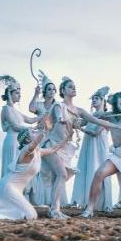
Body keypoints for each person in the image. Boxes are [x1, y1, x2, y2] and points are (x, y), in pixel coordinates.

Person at [0, 120, 66, 221]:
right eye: (33, 132)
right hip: (7, 187)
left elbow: (53, 149)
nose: (36, 132)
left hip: (12, 189)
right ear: (27, 139)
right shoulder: (26, 151)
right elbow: (33, 145)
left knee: (26, 214)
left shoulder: (38, 152)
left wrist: (68, 137)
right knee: (31, 216)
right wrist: (44, 131)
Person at [37, 77, 81, 218]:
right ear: (63, 91)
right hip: (50, 145)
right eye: (70, 86)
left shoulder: (73, 109)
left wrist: (111, 123)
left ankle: (54, 209)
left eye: (75, 86)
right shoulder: (58, 107)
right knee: (61, 174)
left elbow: (90, 120)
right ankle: (54, 210)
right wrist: (50, 124)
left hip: (62, 147)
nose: (74, 88)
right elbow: (49, 123)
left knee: (59, 175)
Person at [72, 87, 114, 215]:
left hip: (99, 147)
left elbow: (96, 133)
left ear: (103, 101)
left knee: (98, 169)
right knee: (88, 169)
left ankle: (102, 203)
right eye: (93, 99)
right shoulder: (91, 116)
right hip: (89, 146)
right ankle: (87, 201)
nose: (94, 101)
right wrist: (74, 121)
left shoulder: (106, 116)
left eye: (97, 98)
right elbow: (80, 122)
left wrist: (82, 129)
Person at [0, 75, 37, 184]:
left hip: (19, 141)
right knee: (11, 167)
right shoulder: (6, 109)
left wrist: (44, 115)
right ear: (10, 94)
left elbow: (30, 119)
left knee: (20, 168)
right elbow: (15, 126)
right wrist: (30, 129)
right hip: (11, 140)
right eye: (16, 93)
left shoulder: (16, 111)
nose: (19, 95)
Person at [27, 78, 58, 205]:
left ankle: (53, 200)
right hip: (40, 137)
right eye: (49, 89)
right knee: (39, 168)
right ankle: (39, 199)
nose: (51, 91)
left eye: (53, 89)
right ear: (44, 91)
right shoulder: (39, 104)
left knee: (52, 169)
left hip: (53, 138)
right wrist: (35, 94)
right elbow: (31, 108)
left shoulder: (57, 106)